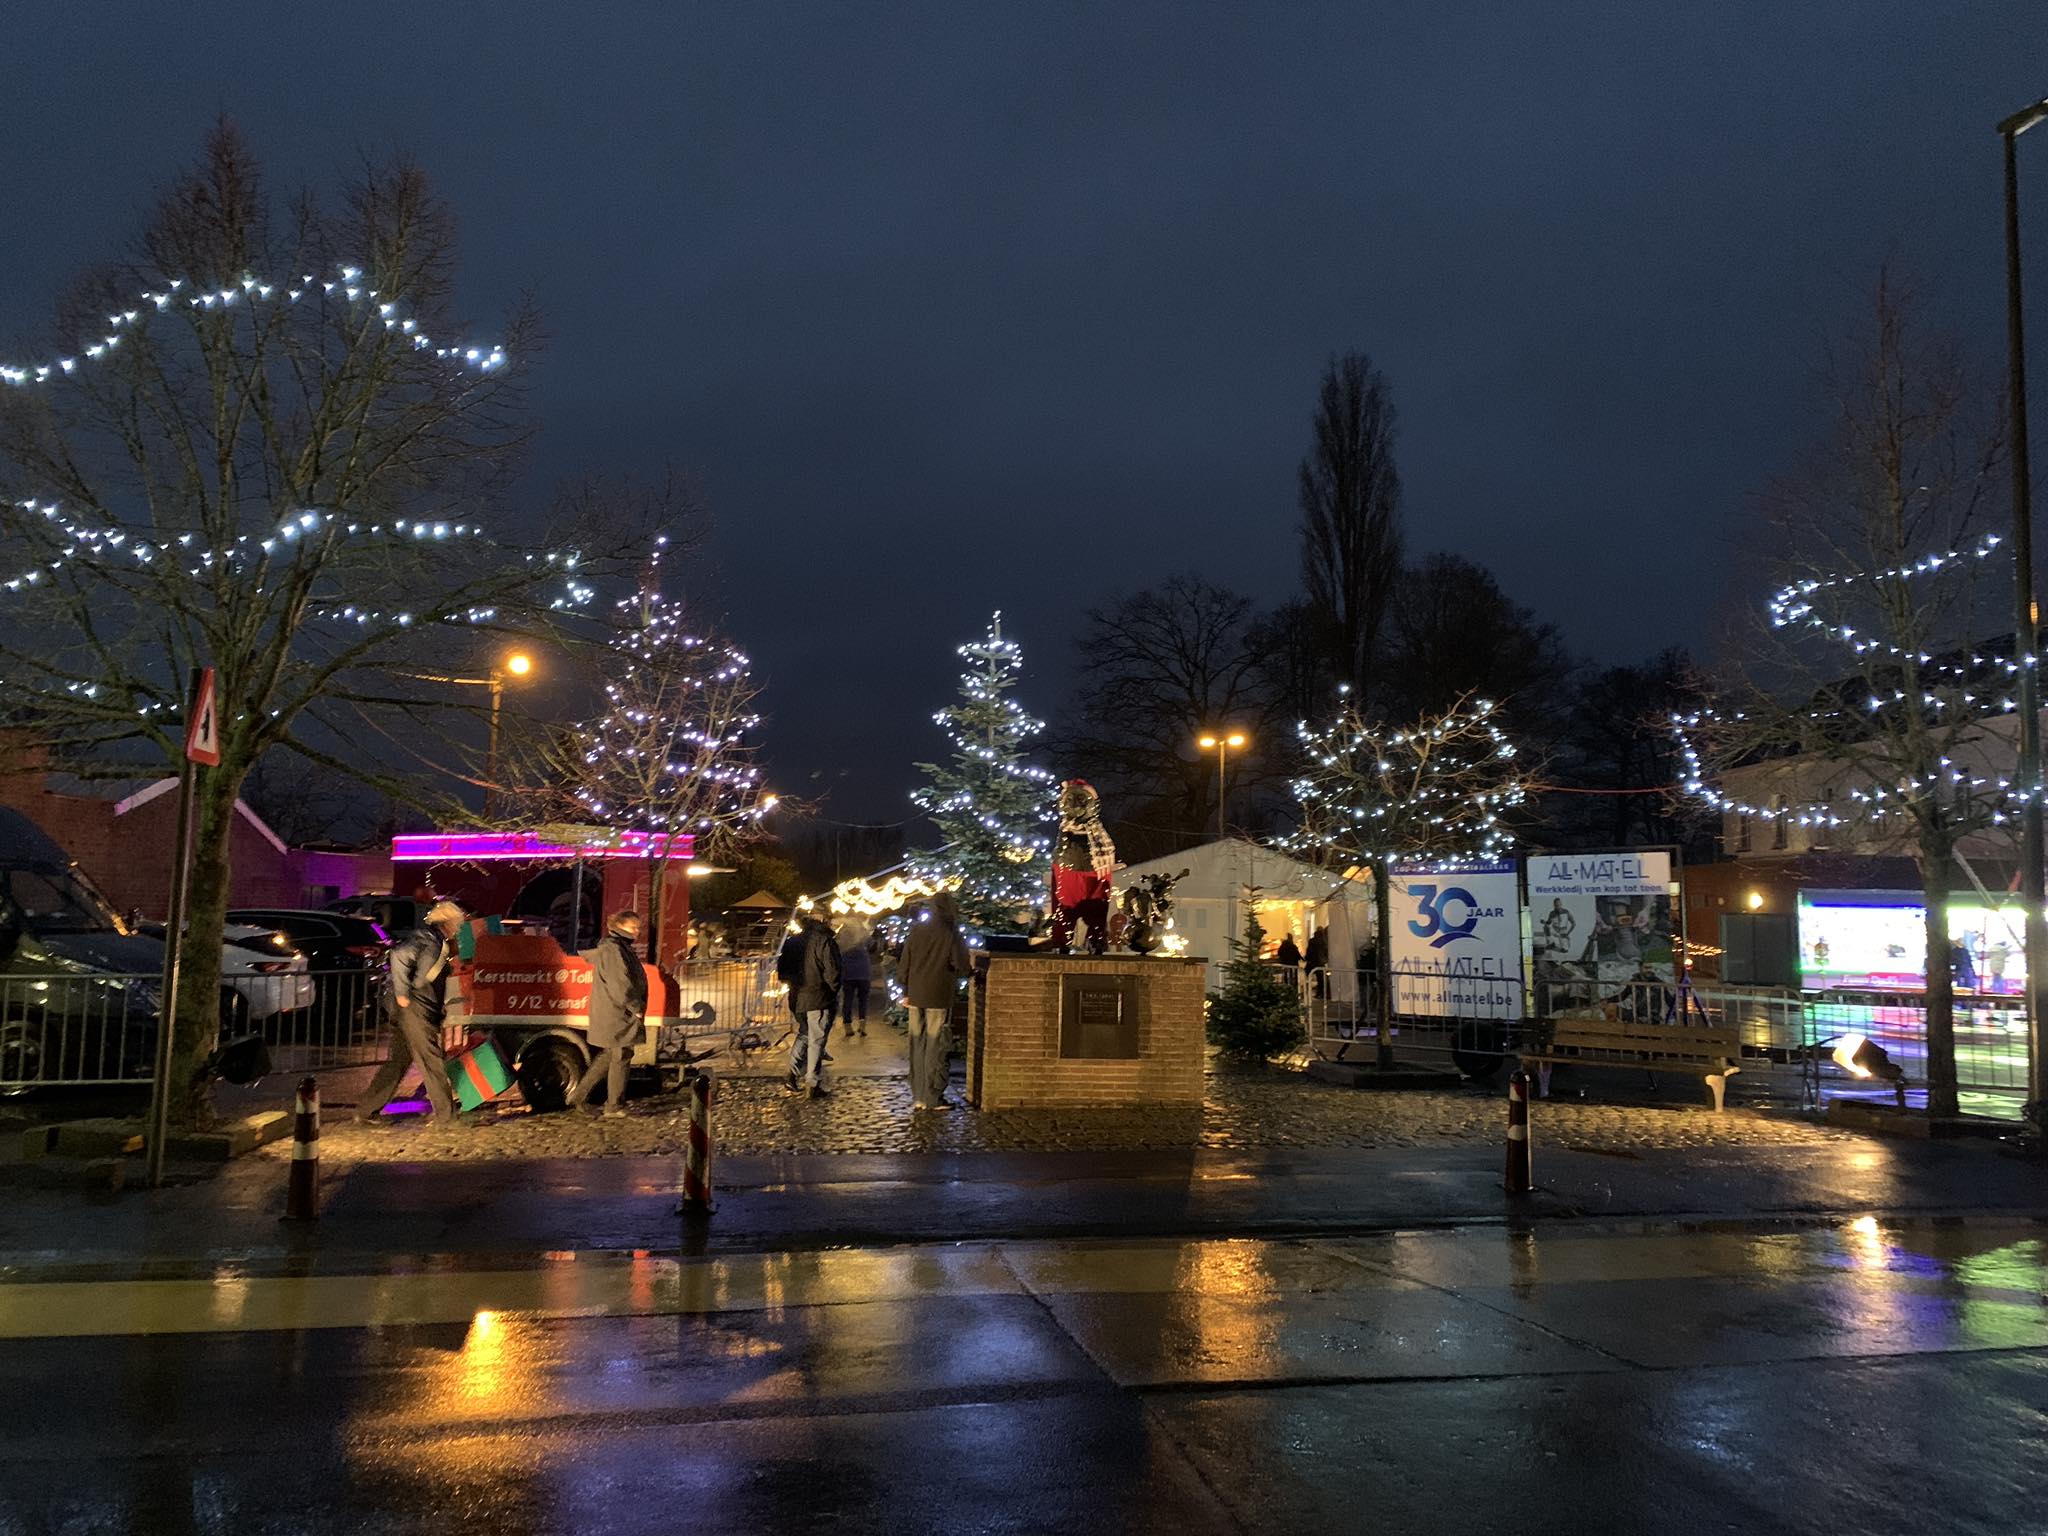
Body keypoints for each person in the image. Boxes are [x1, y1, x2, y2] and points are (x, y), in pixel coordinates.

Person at [359, 900, 467, 1125]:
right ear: (448, 923)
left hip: (412, 1008)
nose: (459, 928)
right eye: (458, 923)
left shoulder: (433, 940)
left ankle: (366, 1110)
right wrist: (402, 994)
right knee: (431, 1060)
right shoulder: (429, 939)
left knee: (398, 1062)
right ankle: (446, 1117)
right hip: (415, 1008)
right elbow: (398, 956)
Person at [565, 911, 649, 1117]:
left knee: (610, 1055)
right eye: (633, 927)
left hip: (613, 1011)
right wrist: (636, 1007)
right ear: (619, 926)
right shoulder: (615, 950)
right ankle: (614, 1106)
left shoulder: (614, 948)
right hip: (618, 1013)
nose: (637, 932)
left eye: (638, 927)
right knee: (621, 1055)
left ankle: (578, 1097)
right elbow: (621, 984)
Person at [900, 891, 972, 1111]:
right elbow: (960, 962)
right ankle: (933, 1096)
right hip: (938, 995)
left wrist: (906, 989)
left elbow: (904, 963)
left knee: (916, 1044)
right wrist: (969, 973)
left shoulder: (917, 930)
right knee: (935, 1044)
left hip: (915, 995)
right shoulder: (950, 932)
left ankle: (918, 1095)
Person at [778, 907, 842, 1098]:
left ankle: (792, 1074)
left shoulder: (792, 942)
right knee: (816, 1040)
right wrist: (831, 991)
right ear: (822, 920)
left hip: (797, 998)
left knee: (805, 1034)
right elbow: (833, 973)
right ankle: (812, 1083)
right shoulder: (825, 942)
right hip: (819, 998)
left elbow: (782, 972)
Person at [837, 916, 874, 1037]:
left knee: (848, 999)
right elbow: (873, 946)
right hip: (863, 972)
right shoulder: (863, 933)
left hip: (848, 972)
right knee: (863, 1000)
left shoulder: (842, 933)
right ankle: (862, 1025)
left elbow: (837, 948)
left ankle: (847, 1026)